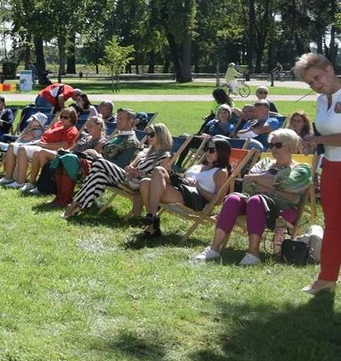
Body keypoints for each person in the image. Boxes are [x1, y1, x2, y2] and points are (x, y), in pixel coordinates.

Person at [190, 130, 310, 265]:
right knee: (232, 199)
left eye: (277, 145)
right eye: (270, 145)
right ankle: (214, 249)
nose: (272, 149)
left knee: (255, 200)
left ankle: (253, 253)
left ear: (291, 146)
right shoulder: (265, 163)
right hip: (255, 202)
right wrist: (275, 186)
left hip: (282, 208)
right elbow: (248, 183)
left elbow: (288, 185)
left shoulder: (302, 169)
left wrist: (260, 181)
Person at [294, 53, 341, 294]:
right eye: (310, 83)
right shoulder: (322, 101)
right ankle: (327, 279)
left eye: (317, 78)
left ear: (330, 69)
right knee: (333, 224)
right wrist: (314, 144)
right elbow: (324, 135)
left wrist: (318, 138)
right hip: (331, 167)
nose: (315, 85)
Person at [62, 123, 173, 220]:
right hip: (128, 177)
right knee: (99, 175)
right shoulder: (146, 151)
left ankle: (75, 204)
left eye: (152, 134)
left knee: (99, 162)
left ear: (161, 135)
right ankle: (80, 206)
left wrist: (136, 172)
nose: (149, 137)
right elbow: (130, 166)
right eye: (147, 134)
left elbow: (157, 178)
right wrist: (129, 169)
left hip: (138, 183)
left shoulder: (165, 156)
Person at [139, 137, 232, 240]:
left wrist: (199, 188)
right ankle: (152, 222)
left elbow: (218, 200)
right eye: (206, 149)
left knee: (159, 170)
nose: (207, 153)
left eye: (212, 150)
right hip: (181, 188)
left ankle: (151, 217)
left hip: (194, 198)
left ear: (221, 153)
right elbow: (182, 181)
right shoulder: (197, 166)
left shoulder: (220, 172)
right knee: (145, 183)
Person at [21, 115, 107, 194]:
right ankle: (37, 184)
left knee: (43, 153)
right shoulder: (86, 137)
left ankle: (43, 186)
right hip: (69, 156)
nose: (88, 128)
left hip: (78, 162)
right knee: (38, 153)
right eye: (87, 126)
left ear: (99, 126)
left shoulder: (101, 141)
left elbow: (92, 155)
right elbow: (71, 148)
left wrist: (71, 154)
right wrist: (64, 150)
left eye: (90, 126)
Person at [0, 108, 80, 189]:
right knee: (12, 146)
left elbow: (64, 145)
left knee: (23, 149)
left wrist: (44, 145)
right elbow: (46, 135)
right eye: (61, 116)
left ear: (72, 119)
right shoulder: (58, 125)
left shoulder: (72, 130)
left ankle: (20, 182)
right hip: (38, 144)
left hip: (48, 150)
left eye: (65, 117)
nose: (62, 119)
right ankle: (8, 177)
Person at [0, 112, 46, 177]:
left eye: (34, 120)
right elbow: (21, 136)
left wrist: (28, 129)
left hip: (18, 148)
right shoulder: (30, 129)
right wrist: (28, 129)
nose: (31, 121)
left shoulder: (38, 131)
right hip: (14, 145)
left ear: (39, 123)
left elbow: (24, 138)